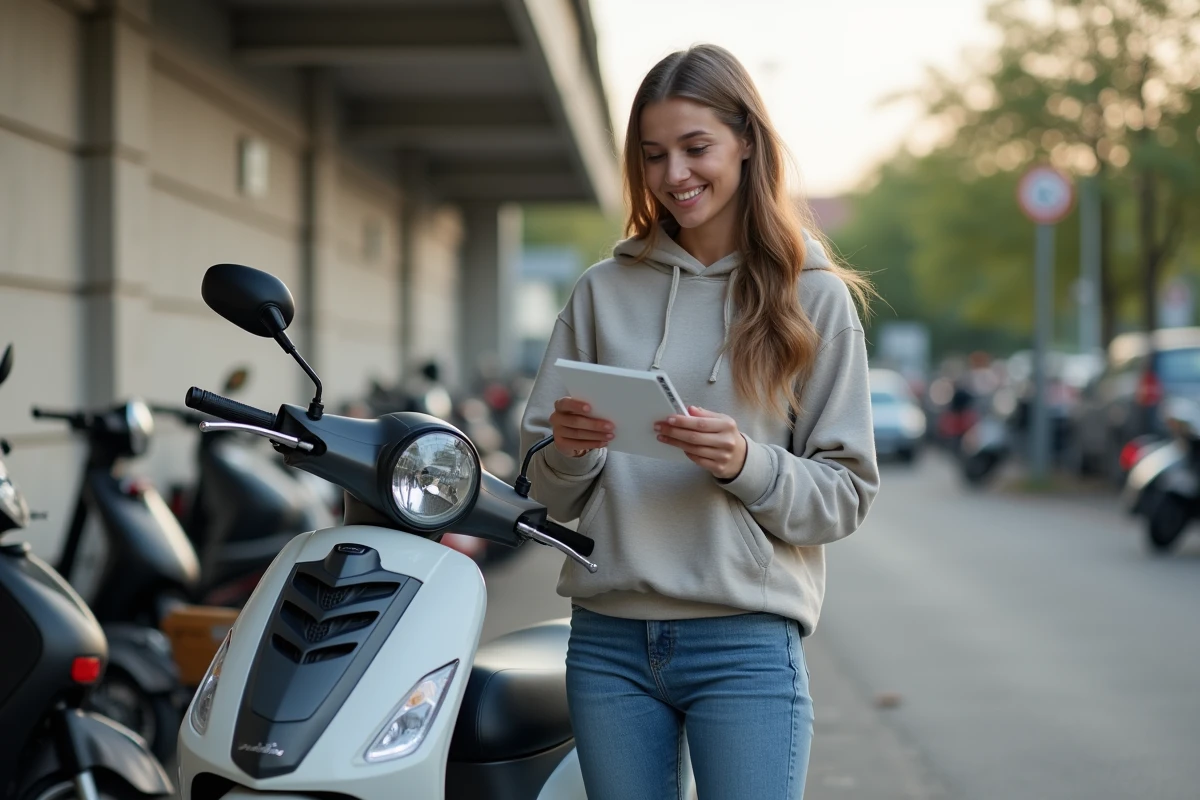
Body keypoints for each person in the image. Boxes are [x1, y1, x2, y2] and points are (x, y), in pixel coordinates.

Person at [519, 43, 880, 800]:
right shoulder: (601, 292)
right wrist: (574, 454)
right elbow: (542, 493)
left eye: (695, 147)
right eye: (653, 155)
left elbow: (844, 496)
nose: (674, 175)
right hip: (608, 639)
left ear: (746, 141)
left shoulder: (813, 298)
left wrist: (745, 462)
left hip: (745, 642)